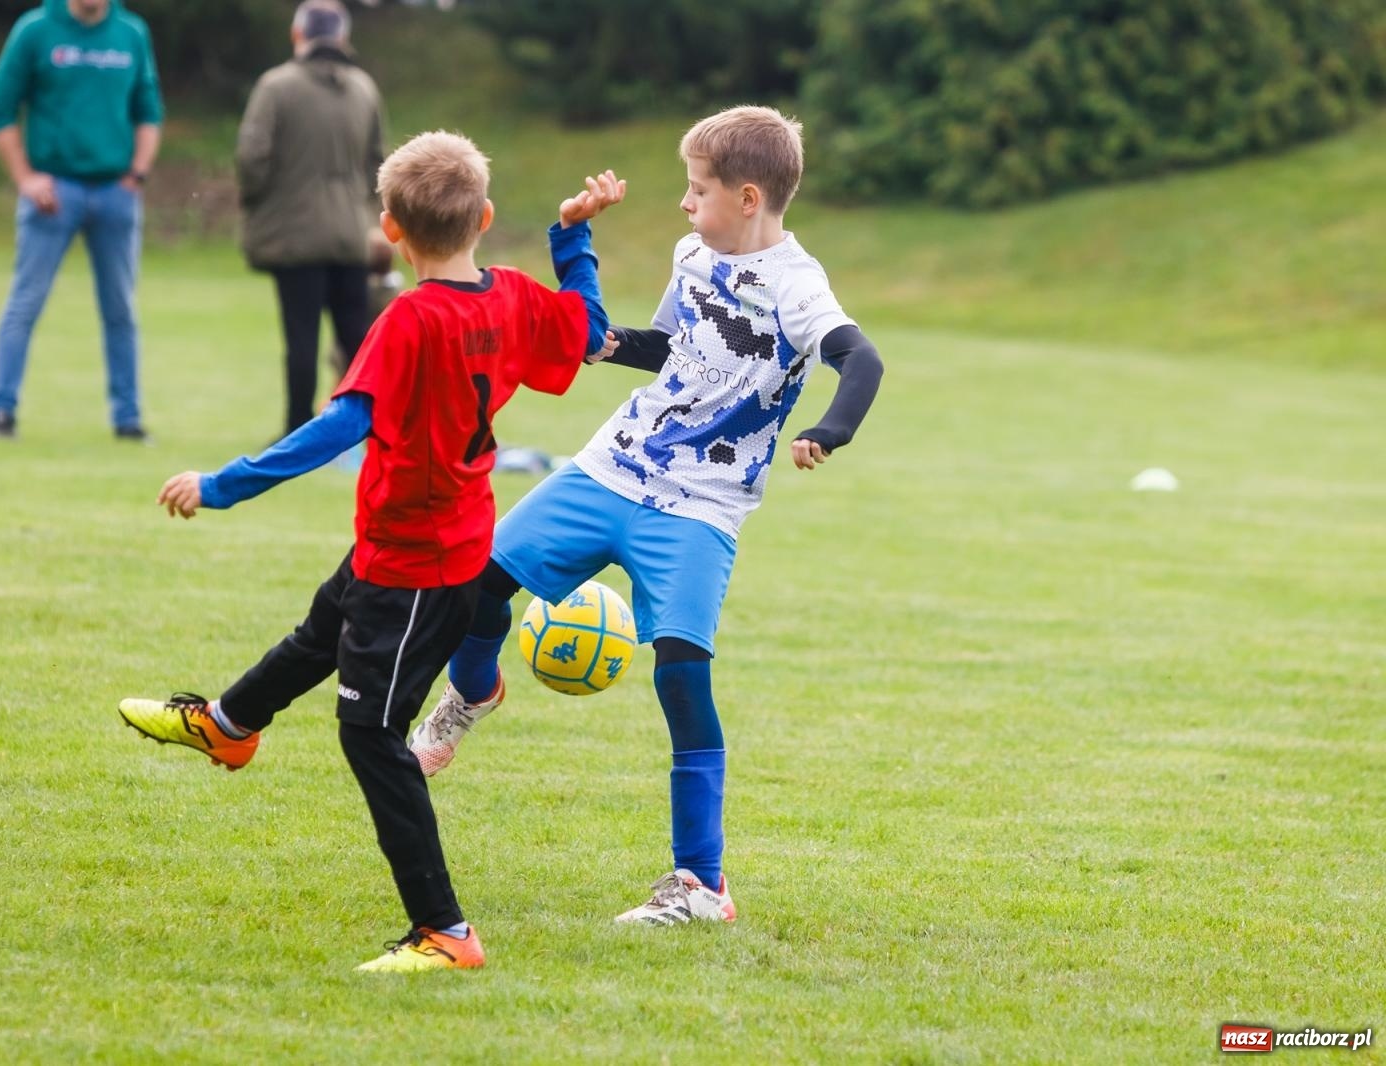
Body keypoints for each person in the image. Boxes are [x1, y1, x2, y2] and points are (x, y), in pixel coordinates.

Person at [117, 131, 625, 972]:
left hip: (420, 569)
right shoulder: (512, 301)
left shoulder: (409, 319)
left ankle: (446, 932)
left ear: (389, 229)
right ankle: (228, 726)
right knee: (323, 628)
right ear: (486, 217)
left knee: (372, 736)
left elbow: (342, 426)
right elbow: (586, 332)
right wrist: (572, 240)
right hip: (419, 542)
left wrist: (223, 483)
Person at [408, 106, 885, 926]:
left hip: (702, 505)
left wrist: (826, 431)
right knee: (477, 578)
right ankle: (474, 692)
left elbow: (861, 358)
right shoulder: (693, 252)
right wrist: (591, 305)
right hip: (615, 463)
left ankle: (701, 884)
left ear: (746, 196)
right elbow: (669, 346)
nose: (683, 204)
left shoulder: (799, 287)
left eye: (695, 190)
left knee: (681, 672)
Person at [0, 0, 163, 441]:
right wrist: (24, 177)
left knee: (120, 308)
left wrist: (137, 172)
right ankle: (2, 408)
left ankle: (127, 416)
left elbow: (149, 111)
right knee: (26, 301)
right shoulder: (36, 30)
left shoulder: (130, 34)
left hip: (115, 191)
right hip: (54, 192)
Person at [236, 0, 388, 438]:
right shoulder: (364, 88)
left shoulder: (276, 86)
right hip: (352, 234)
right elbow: (380, 162)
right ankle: (372, 428)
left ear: (297, 36)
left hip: (296, 235)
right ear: (342, 39)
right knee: (358, 340)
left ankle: (297, 428)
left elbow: (251, 158)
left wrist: (259, 200)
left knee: (301, 337)